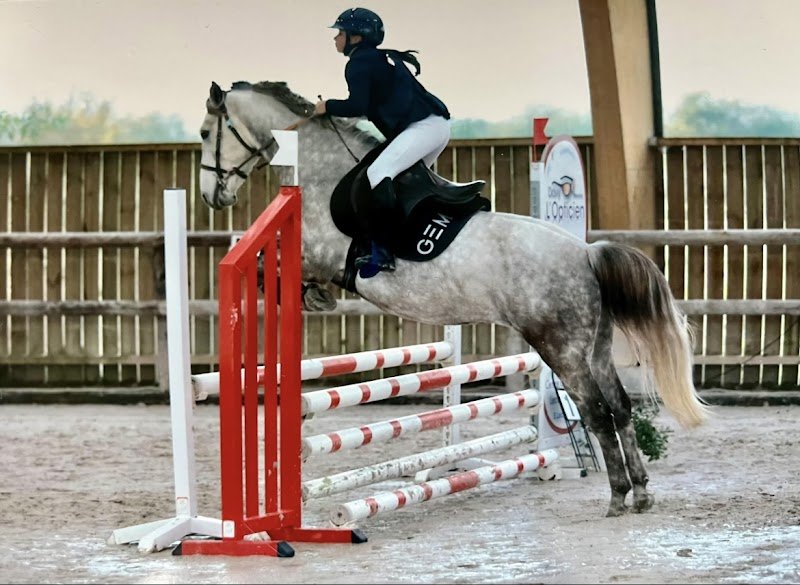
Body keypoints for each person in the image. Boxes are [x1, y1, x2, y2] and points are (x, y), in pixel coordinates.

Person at [314, 7, 451, 278]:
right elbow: (370, 106)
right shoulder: (376, 58)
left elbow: (357, 105)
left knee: (377, 173)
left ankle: (383, 252)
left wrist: (326, 106)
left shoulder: (358, 63)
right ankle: (407, 240)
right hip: (435, 126)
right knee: (401, 182)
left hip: (422, 128)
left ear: (355, 37)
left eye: (340, 33)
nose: (335, 38)